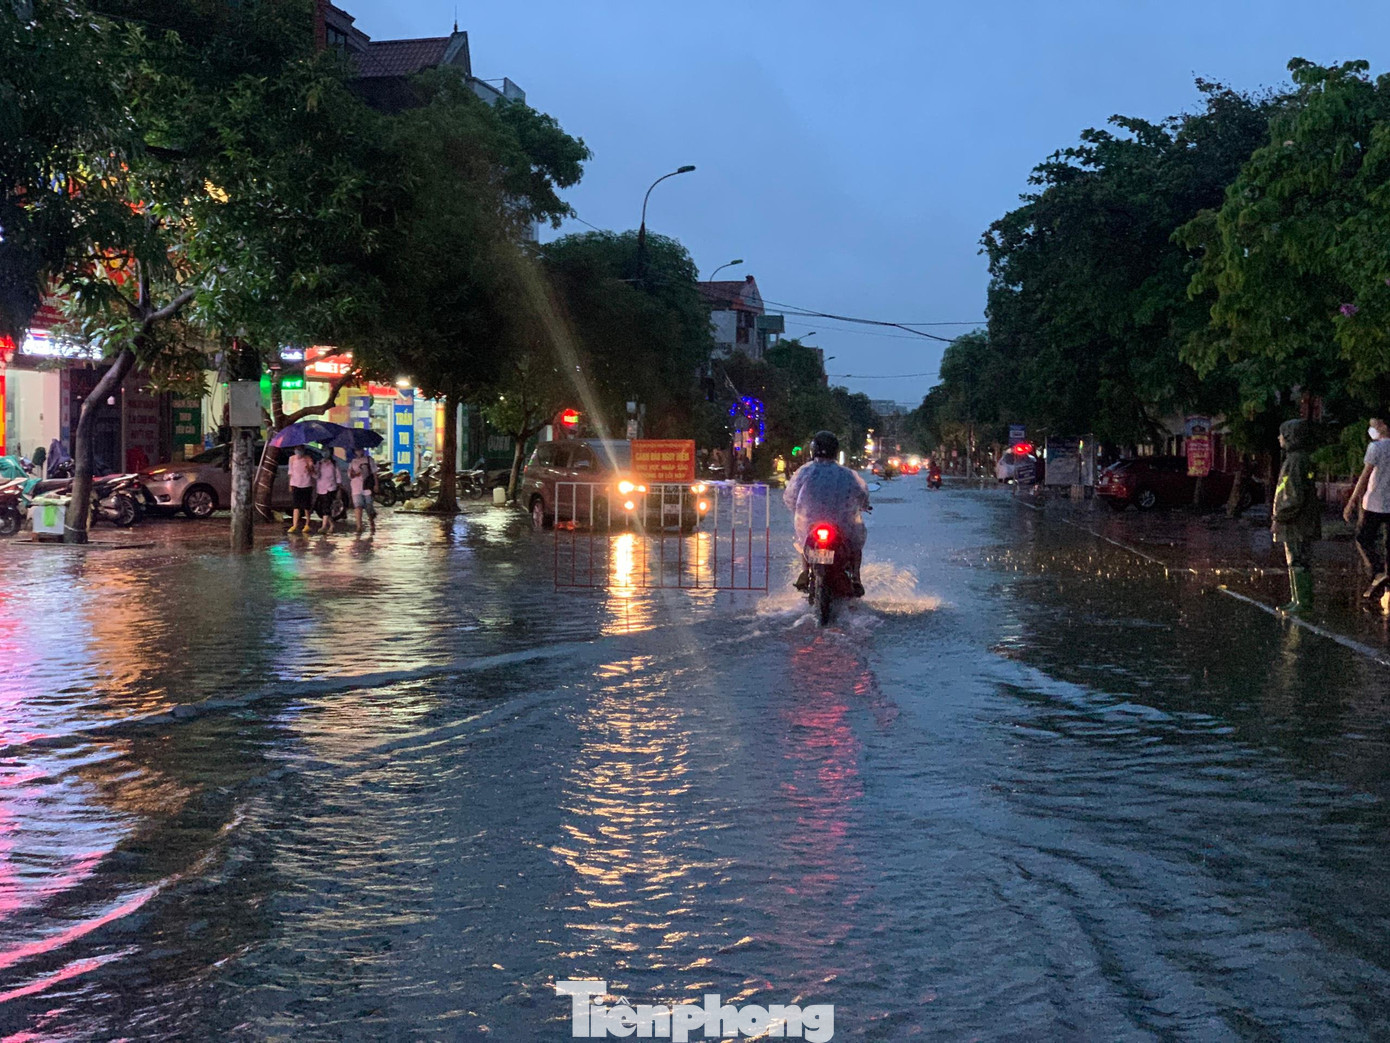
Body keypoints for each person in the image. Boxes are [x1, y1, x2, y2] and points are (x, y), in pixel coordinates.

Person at [784, 430, 871, 597]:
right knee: (855, 547)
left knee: (803, 542)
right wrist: (865, 505)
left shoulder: (804, 471)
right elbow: (862, 494)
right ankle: (856, 577)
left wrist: (796, 507)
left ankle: (805, 571)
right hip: (843, 525)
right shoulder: (847, 474)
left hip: (809, 524)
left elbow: (790, 497)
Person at [1272, 418, 1321, 615]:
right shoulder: (1299, 459)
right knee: (1296, 560)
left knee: (1298, 560)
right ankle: (1297, 600)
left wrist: (1279, 518)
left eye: (1282, 434)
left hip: (1297, 523)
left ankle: (1302, 603)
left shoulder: (1295, 461)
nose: (1279, 438)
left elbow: (1292, 496)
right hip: (1300, 521)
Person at [1345, 417, 1390, 601]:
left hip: (1375, 503)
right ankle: (1384, 586)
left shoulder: (1376, 448)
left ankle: (1378, 571)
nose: (1371, 429)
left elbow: (1364, 477)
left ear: (1384, 426)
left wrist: (1351, 501)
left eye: (1374, 425)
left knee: (1363, 539)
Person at [348, 448, 378, 535]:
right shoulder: (352, 462)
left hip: (367, 486)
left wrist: (376, 484)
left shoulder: (369, 459)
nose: (359, 451)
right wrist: (353, 474)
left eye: (360, 449)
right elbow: (350, 475)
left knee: (369, 506)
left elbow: (374, 473)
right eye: (357, 450)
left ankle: (372, 522)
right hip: (356, 487)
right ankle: (359, 526)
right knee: (358, 506)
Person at [287, 445, 315, 534]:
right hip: (295, 484)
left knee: (306, 506)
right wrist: (290, 484)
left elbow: (312, 471)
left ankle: (307, 524)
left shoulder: (308, 459)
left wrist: (309, 467)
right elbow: (290, 472)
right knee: (296, 505)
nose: (298, 451)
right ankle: (295, 524)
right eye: (297, 449)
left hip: (306, 484)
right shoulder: (291, 459)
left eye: (300, 449)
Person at [313, 446, 341, 535]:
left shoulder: (334, 464)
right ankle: (332, 525)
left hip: (331, 487)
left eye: (326, 451)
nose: (324, 453)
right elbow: (316, 476)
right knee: (324, 508)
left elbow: (338, 476)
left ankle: (324, 526)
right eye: (323, 451)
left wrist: (339, 487)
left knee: (326, 506)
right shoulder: (319, 463)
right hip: (321, 488)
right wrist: (312, 471)